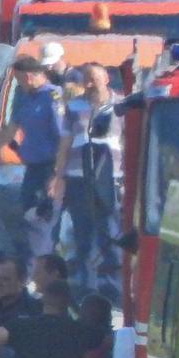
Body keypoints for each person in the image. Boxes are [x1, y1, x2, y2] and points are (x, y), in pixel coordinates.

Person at [0, 54, 68, 268]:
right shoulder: (25, 98)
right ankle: (32, 269)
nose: (20, 85)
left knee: (41, 223)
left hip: (50, 168)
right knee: (28, 218)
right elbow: (8, 133)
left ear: (31, 76)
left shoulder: (53, 98)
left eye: (21, 80)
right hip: (31, 169)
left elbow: (63, 139)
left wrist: (57, 175)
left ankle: (37, 271)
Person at [50, 63, 123, 299]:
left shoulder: (120, 105)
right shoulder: (74, 107)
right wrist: (58, 177)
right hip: (78, 178)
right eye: (86, 80)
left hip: (111, 178)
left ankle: (113, 287)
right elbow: (64, 144)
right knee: (84, 236)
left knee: (110, 233)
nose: (89, 84)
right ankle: (87, 289)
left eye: (93, 79)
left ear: (106, 78)